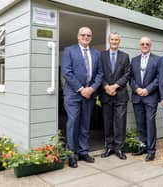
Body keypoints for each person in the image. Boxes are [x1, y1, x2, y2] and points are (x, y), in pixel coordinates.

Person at [61, 26, 103, 168]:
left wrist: (91, 88)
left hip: (89, 95)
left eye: (88, 35)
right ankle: (72, 153)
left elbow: (100, 74)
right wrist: (80, 89)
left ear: (91, 37)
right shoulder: (69, 51)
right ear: (78, 37)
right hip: (73, 94)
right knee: (73, 122)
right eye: (83, 35)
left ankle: (83, 151)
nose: (86, 37)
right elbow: (66, 72)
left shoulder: (96, 53)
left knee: (85, 123)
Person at [100, 32, 131, 160]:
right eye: (112, 39)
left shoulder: (125, 56)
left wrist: (115, 86)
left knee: (120, 122)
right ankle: (109, 147)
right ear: (109, 40)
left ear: (119, 41)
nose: (114, 42)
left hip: (120, 95)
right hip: (106, 94)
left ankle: (118, 148)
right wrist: (106, 86)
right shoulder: (101, 56)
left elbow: (127, 74)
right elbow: (99, 73)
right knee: (107, 122)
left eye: (116, 40)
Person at [130, 37, 160, 161]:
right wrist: (137, 89)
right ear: (139, 45)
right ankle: (142, 146)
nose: (145, 45)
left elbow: (159, 78)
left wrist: (148, 89)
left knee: (150, 122)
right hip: (137, 97)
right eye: (142, 44)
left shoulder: (157, 60)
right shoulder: (134, 60)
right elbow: (130, 77)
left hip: (150, 96)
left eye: (147, 43)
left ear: (150, 45)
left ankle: (151, 150)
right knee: (140, 123)